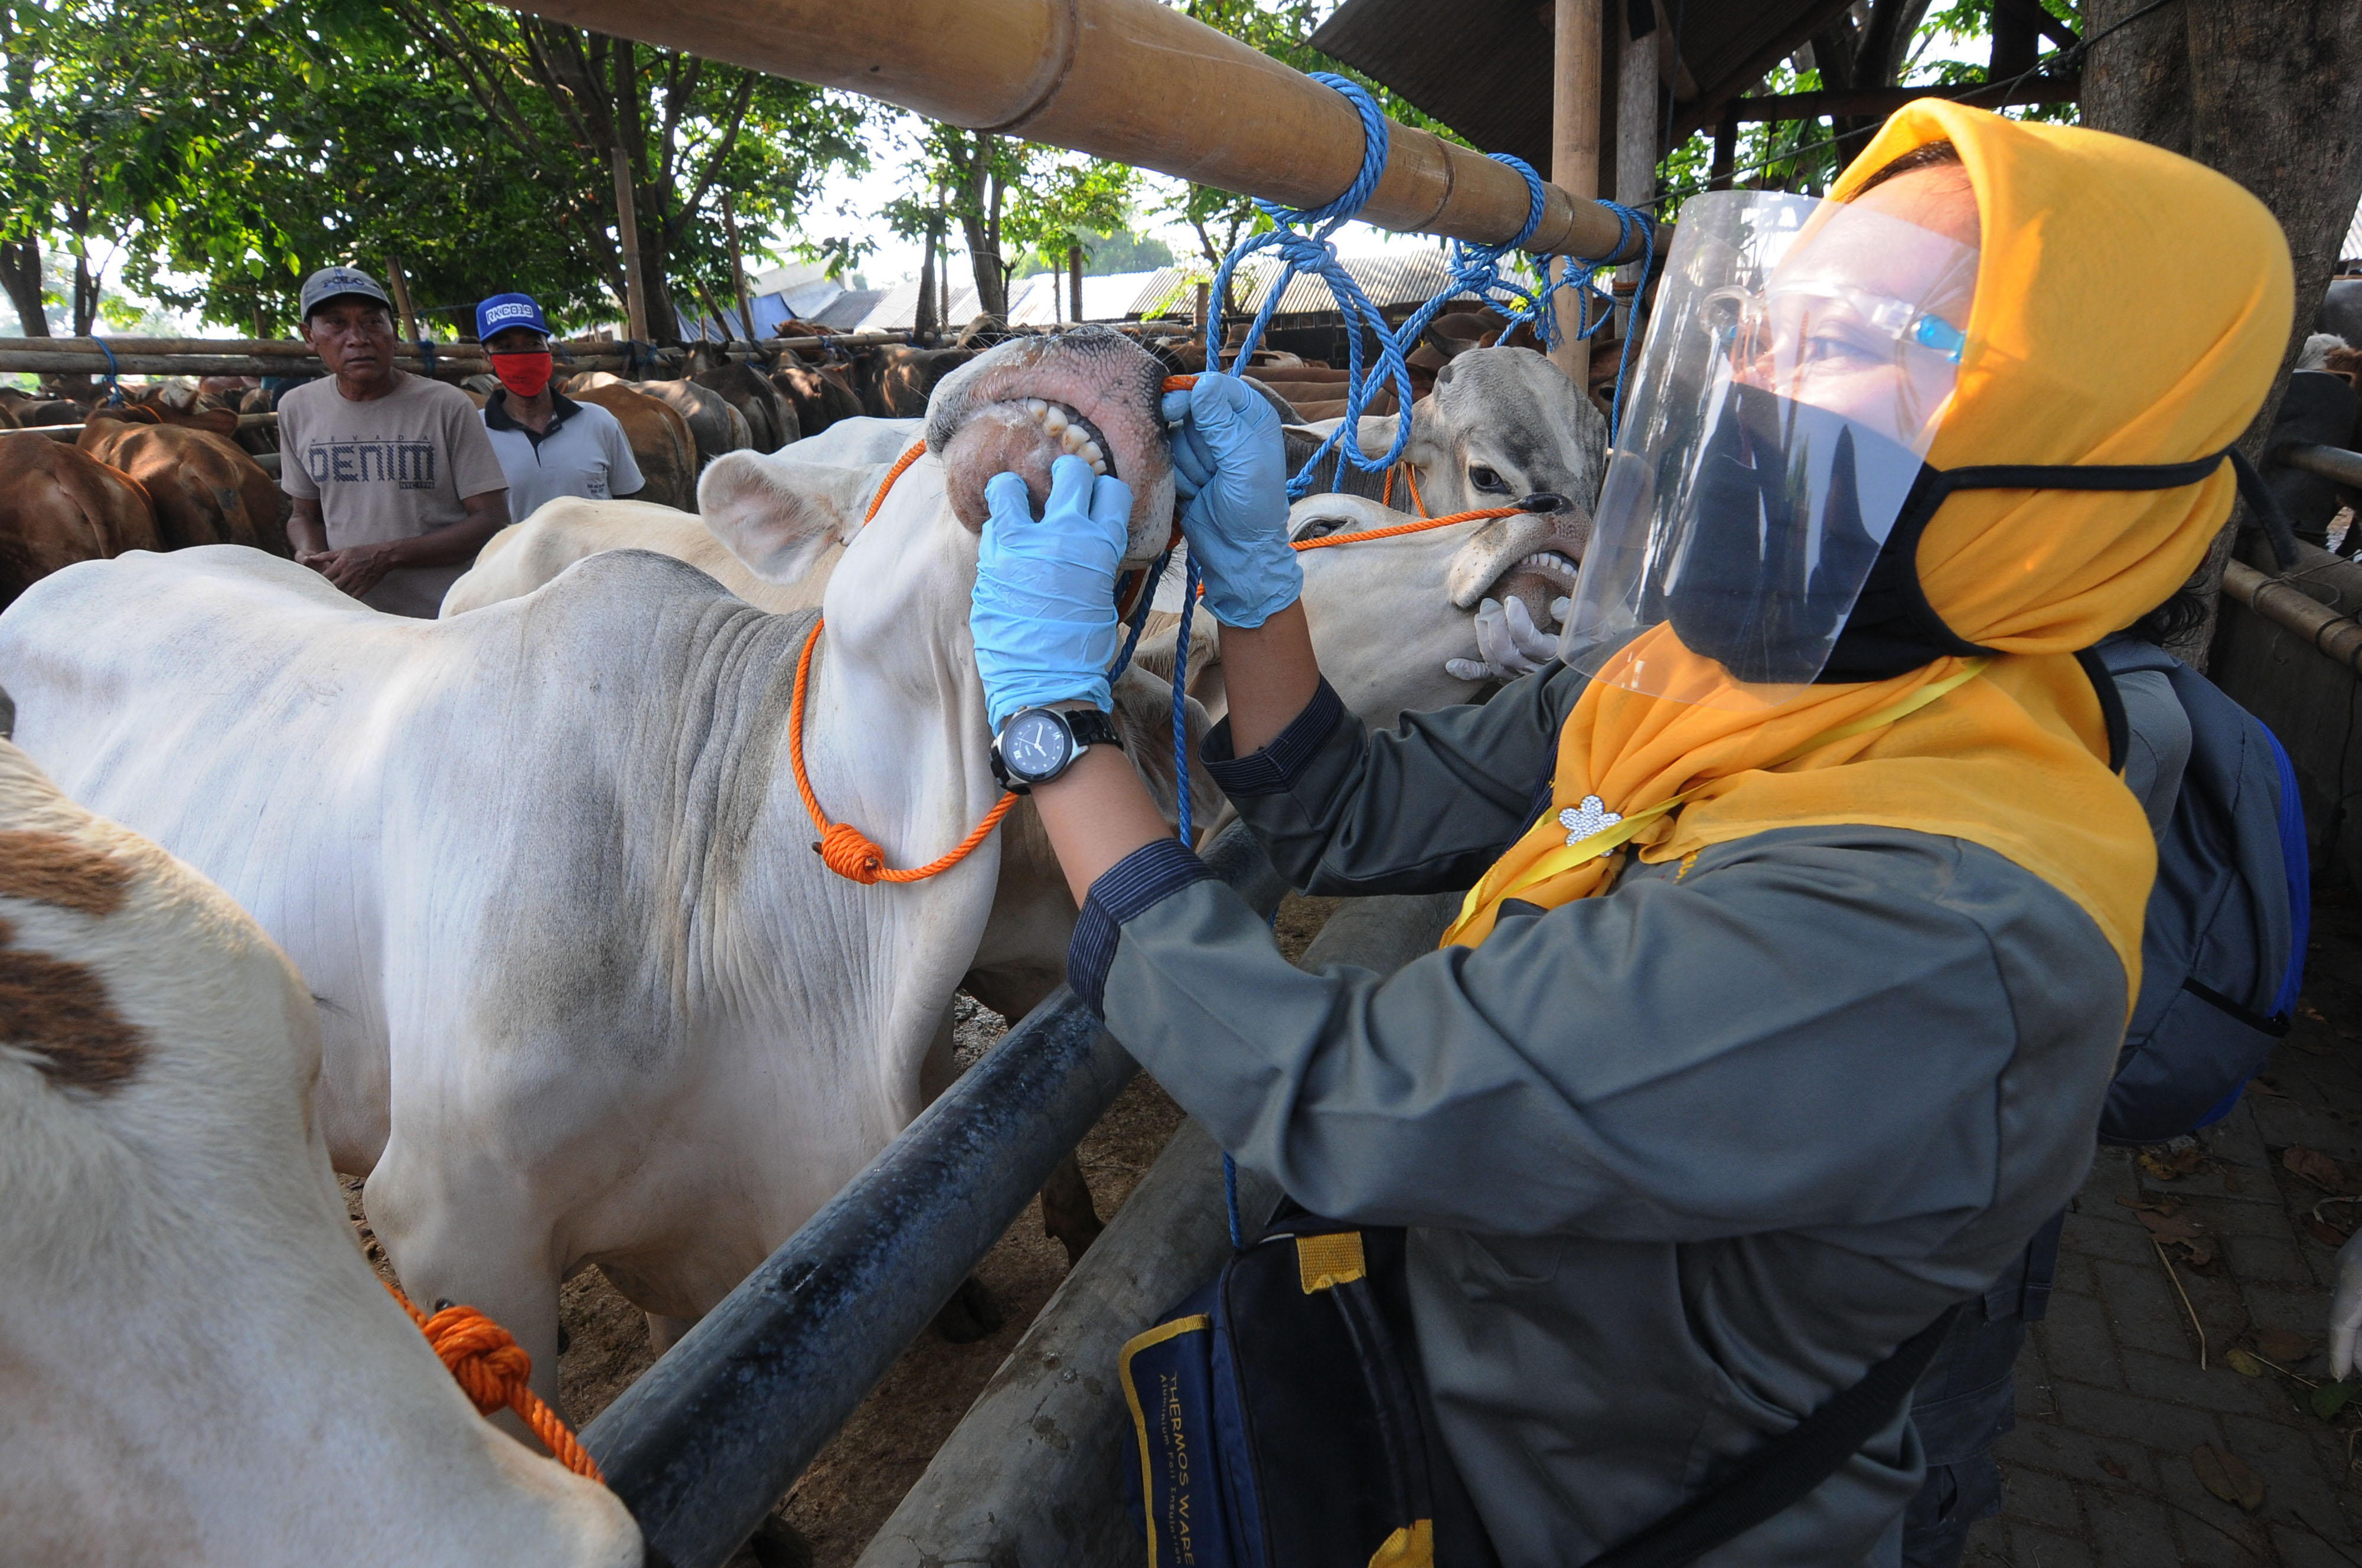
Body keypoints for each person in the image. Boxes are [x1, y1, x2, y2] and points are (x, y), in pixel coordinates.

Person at [964, 103, 2292, 1563]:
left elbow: (1349, 1100)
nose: (1754, 378)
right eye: (1771, 320)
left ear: (2069, 451)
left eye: (1863, 339)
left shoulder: (1938, 920)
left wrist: (1052, 725)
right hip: (1472, 1388)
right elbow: (1349, 808)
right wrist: (1256, 575)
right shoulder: (1721, 678)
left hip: (1607, 1506)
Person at [279, 264, 511, 616]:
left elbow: (492, 520)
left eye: (373, 322)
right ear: (309, 336)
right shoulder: (296, 409)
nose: (358, 338)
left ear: (394, 331)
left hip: (447, 617)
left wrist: (385, 556)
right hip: (349, 618)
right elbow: (304, 515)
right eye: (336, 324)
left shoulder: (445, 405)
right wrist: (310, 555)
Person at [474, 292, 643, 520]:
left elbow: (632, 509)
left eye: (532, 344)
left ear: (549, 351)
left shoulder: (599, 422)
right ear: (486, 357)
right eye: (505, 348)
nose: (521, 356)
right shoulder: (474, 434)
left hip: (598, 556)